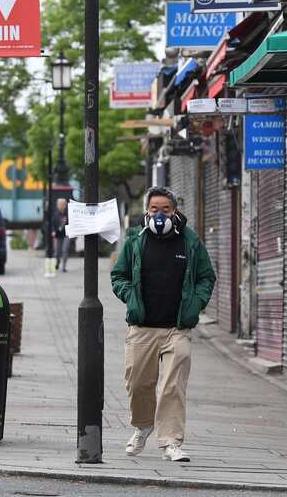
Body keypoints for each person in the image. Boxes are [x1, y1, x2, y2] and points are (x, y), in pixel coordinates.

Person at [110, 186, 215, 463]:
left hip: (176, 328)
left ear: (175, 211)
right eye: (154, 209)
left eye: (165, 210)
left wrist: (196, 304)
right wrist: (130, 297)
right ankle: (143, 426)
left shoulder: (190, 242)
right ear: (147, 211)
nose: (159, 215)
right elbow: (118, 275)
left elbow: (207, 277)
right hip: (142, 327)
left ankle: (171, 442)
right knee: (138, 383)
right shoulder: (135, 240)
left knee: (172, 386)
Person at [55, 198, 72, 273]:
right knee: (57, 251)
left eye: (63, 204)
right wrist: (53, 231)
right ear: (57, 205)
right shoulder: (55, 214)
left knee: (65, 250)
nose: (61, 206)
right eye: (60, 204)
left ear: (65, 205)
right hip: (58, 235)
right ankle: (57, 262)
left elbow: (72, 223)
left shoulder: (68, 213)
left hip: (66, 234)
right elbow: (52, 224)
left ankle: (64, 266)